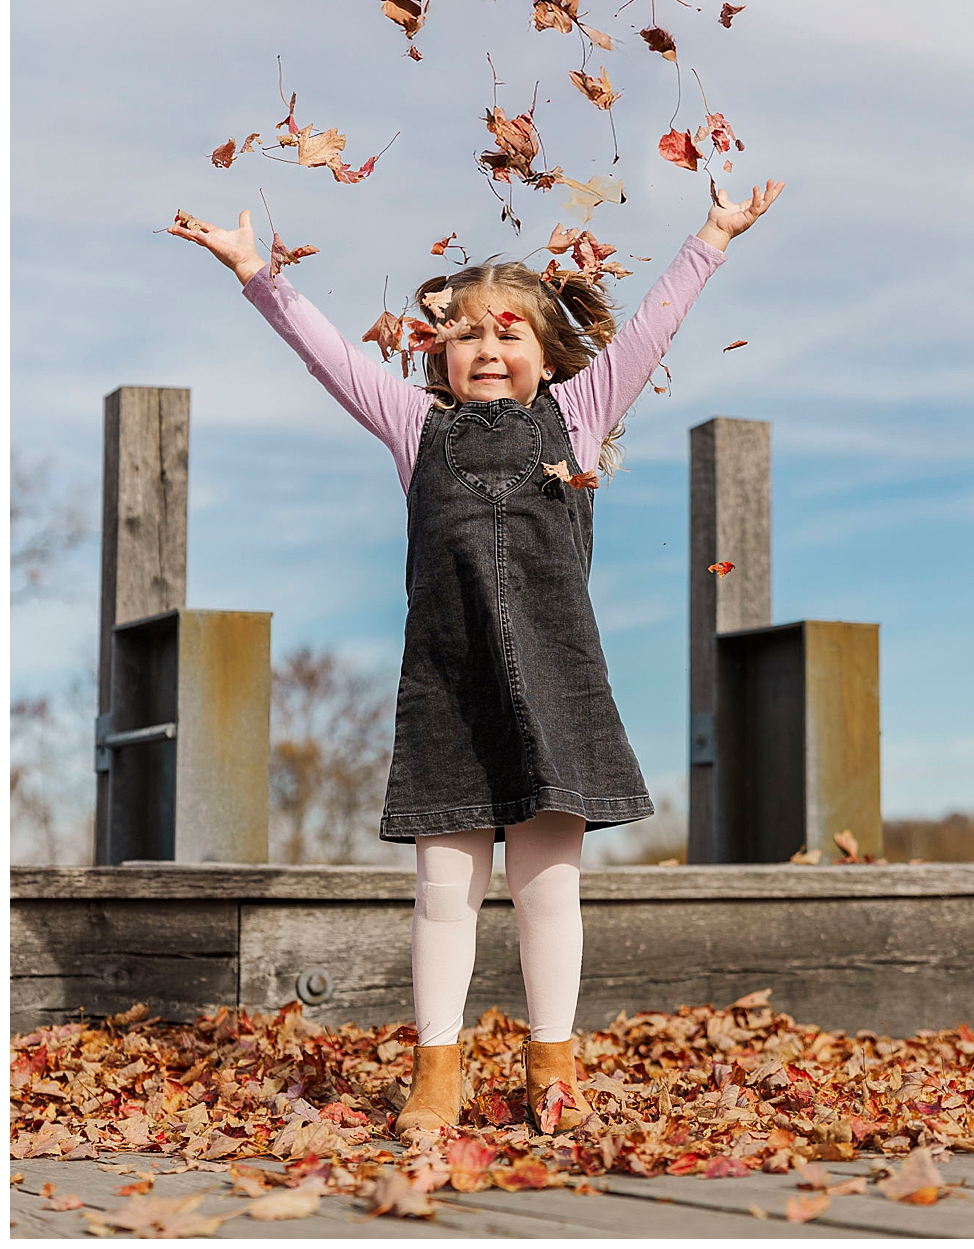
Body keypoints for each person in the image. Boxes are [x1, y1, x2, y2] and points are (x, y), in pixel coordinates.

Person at [166, 179, 784, 1138]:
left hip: (557, 682)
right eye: (463, 335)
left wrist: (711, 236)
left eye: (508, 335)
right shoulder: (415, 427)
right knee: (444, 894)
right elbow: (327, 355)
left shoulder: (579, 417)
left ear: (544, 354)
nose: (486, 350)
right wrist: (257, 273)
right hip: (450, 689)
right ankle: (437, 1073)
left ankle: (555, 1070)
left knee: (549, 893)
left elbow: (651, 330)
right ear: (435, 350)